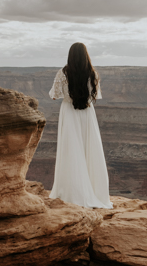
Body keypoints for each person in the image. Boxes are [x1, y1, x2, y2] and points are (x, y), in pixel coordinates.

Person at [47, 42, 112, 209]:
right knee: (89, 149)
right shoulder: (93, 74)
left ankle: (72, 192)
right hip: (87, 114)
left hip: (69, 112)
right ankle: (93, 191)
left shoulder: (63, 73)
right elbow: (96, 94)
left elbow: (54, 95)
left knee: (71, 151)